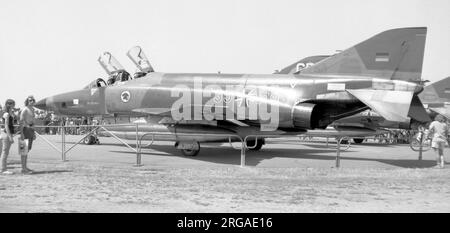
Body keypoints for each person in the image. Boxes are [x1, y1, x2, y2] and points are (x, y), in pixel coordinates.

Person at [19, 95, 36, 173]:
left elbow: (33, 121)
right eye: (30, 100)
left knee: (27, 149)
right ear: (27, 101)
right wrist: (21, 133)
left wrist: (34, 132)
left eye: (33, 100)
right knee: (24, 150)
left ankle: (25, 167)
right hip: (25, 130)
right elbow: (21, 121)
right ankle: (23, 168)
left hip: (31, 130)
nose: (32, 101)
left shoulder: (32, 109)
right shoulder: (25, 110)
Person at [1, 99, 16, 175]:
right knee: (5, 152)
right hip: (6, 134)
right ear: (8, 104)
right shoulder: (6, 114)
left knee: (4, 152)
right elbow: (6, 126)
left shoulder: (9, 113)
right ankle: (3, 169)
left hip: (6, 134)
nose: (13, 105)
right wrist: (10, 136)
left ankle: (3, 168)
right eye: (12, 104)